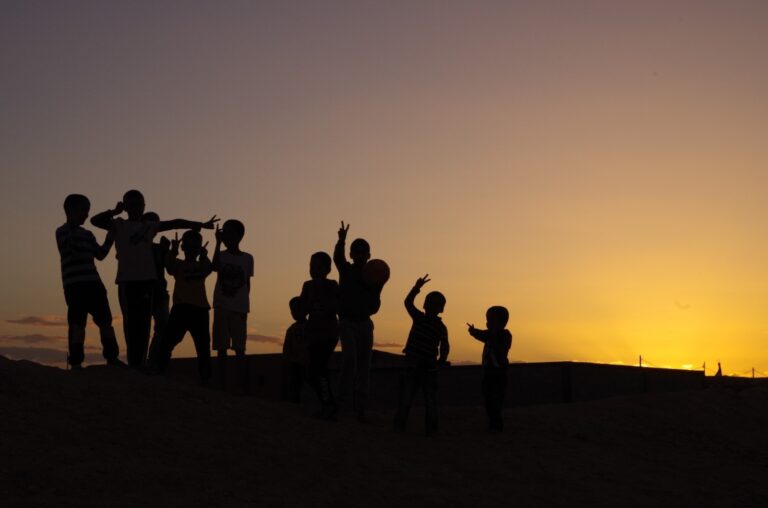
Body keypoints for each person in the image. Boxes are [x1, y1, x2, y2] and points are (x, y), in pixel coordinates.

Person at [90, 189, 218, 368]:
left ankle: (140, 364)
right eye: (132, 204)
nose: (137, 207)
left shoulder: (150, 226)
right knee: (130, 324)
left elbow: (174, 223)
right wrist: (114, 211)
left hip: (147, 283)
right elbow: (95, 221)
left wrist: (199, 224)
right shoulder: (118, 225)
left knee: (143, 325)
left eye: (140, 204)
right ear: (126, 206)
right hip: (127, 282)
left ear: (144, 206)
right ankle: (134, 363)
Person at [55, 194, 123, 369]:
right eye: (83, 210)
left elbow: (100, 255)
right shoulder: (61, 231)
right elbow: (72, 248)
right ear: (70, 210)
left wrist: (110, 237)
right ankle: (76, 361)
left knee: (105, 321)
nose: (86, 215)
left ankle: (111, 357)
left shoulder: (88, 234)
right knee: (77, 324)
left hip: (94, 284)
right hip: (75, 286)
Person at [333, 221, 381, 421]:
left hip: (364, 324)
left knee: (363, 367)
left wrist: (377, 289)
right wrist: (341, 241)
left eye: (364, 252)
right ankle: (342, 405)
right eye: (357, 252)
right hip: (347, 323)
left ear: (369, 256)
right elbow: (337, 258)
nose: (360, 255)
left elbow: (374, 307)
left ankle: (360, 408)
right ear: (352, 255)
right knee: (349, 361)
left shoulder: (373, 275)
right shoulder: (346, 270)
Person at [393, 275, 449, 436]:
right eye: (431, 303)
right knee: (408, 399)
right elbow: (408, 302)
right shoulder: (422, 319)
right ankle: (402, 428)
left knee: (423, 401)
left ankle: (427, 430)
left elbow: (445, 346)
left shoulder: (438, 326)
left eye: (434, 304)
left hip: (426, 368)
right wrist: (417, 287)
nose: (431, 306)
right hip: (415, 366)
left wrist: (442, 360)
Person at [156, 230, 213, 383]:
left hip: (200, 309)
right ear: (184, 247)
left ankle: (205, 378)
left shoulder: (202, 264)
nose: (193, 249)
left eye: (196, 247)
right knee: (168, 342)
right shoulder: (178, 264)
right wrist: (173, 250)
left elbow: (208, 268)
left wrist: (204, 255)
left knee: (203, 347)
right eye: (189, 246)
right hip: (181, 308)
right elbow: (168, 265)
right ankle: (159, 370)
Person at [211, 220, 254, 389]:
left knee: (239, 348)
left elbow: (247, 283)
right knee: (221, 347)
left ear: (239, 236)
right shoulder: (221, 255)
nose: (226, 236)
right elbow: (214, 267)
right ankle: (222, 384)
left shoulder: (248, 258)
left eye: (229, 232)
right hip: (222, 306)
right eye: (224, 232)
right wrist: (217, 243)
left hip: (239, 308)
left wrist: (244, 305)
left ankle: (240, 385)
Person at [300, 252, 340, 420]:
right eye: (311, 267)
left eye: (317, 267)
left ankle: (328, 406)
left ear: (327, 269)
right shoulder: (307, 286)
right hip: (313, 334)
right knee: (311, 372)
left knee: (319, 369)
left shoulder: (332, 285)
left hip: (328, 334)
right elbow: (303, 308)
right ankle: (327, 404)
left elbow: (335, 307)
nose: (313, 270)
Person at [467, 306, 512, 432]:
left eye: (490, 320)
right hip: (488, 372)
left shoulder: (505, 335)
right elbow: (480, 334)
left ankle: (496, 423)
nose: (487, 322)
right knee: (487, 397)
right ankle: (493, 421)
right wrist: (473, 331)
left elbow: (501, 348)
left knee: (497, 399)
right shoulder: (489, 334)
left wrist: (493, 334)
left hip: (500, 373)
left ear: (501, 322)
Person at [142, 212, 171, 370]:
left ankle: (152, 361)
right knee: (143, 328)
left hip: (159, 292)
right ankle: (143, 361)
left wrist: (169, 251)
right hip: (142, 292)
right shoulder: (136, 245)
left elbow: (169, 267)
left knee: (163, 327)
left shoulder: (160, 248)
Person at [281, 296, 309, 403]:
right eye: (292, 310)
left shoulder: (311, 326)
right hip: (295, 363)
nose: (294, 313)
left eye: (297, 309)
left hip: (307, 362)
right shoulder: (291, 330)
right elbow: (287, 349)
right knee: (295, 386)